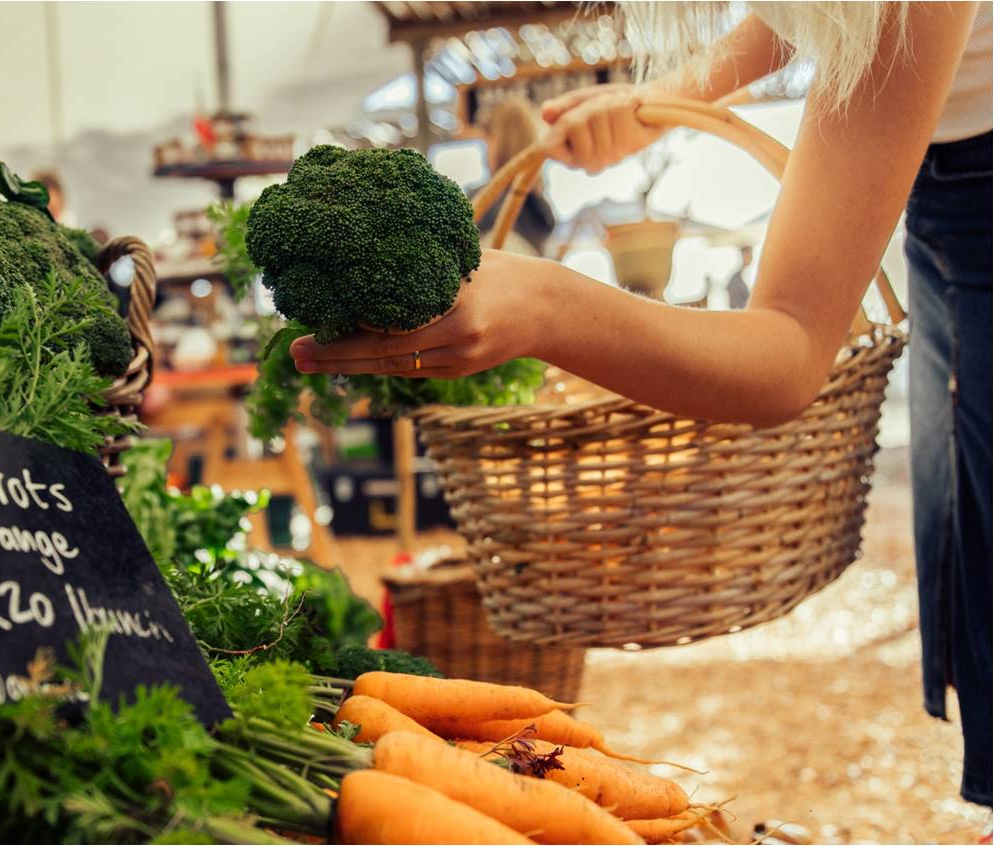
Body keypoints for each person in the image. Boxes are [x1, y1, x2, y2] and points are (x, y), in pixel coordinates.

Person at [290, 2, 991, 808]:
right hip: (942, 173)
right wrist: (673, 95)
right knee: (966, 525)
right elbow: (822, 15)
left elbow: (792, 349)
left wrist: (548, 309)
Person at [470, 95, 556, 256]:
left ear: (498, 142)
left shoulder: (484, 203)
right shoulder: (540, 207)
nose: (485, 153)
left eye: (487, 142)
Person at [726, 244, 753, 309]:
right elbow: (734, 304)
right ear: (743, 256)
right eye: (749, 255)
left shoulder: (746, 274)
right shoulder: (735, 278)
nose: (752, 258)